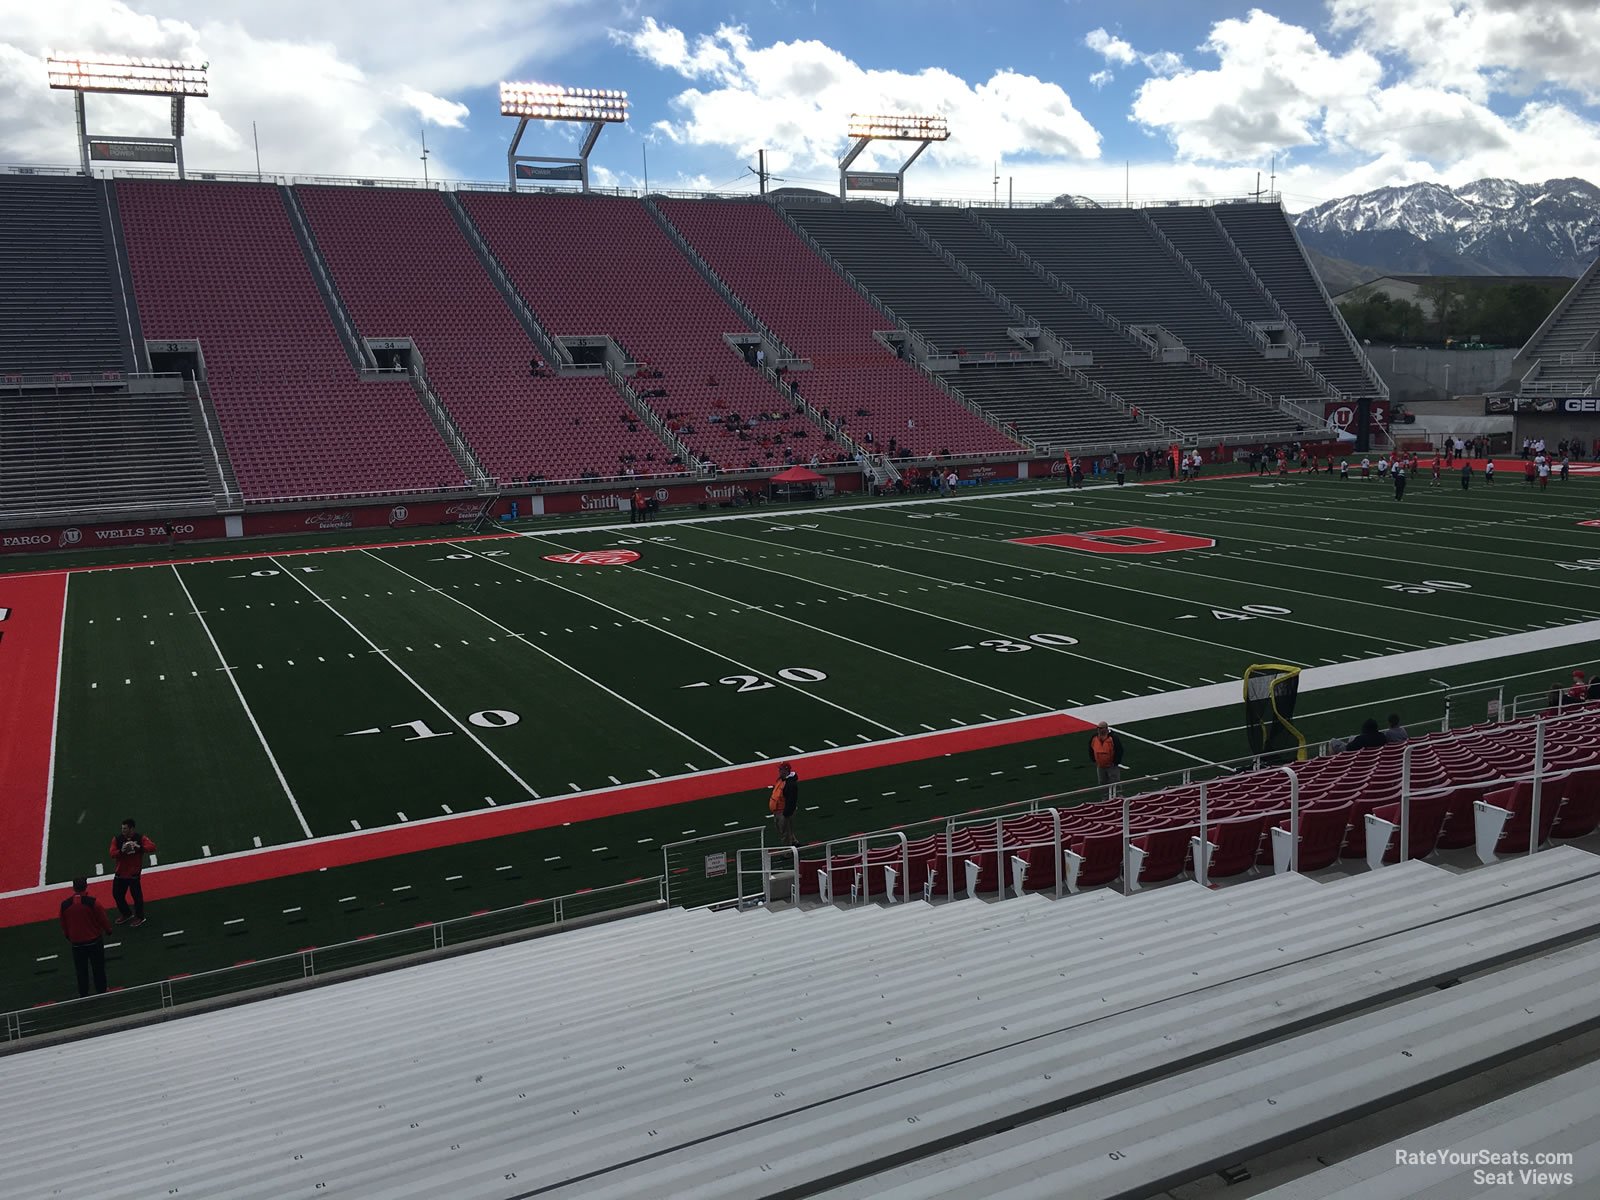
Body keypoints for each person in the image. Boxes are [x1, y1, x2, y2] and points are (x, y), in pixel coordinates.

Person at [60, 877, 112, 997]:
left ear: (73, 888)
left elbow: (63, 923)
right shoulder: (93, 902)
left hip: (76, 943)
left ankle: (83, 993)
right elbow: (102, 918)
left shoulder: (65, 905)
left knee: (81, 970)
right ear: (86, 886)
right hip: (94, 940)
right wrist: (108, 930)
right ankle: (101, 990)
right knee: (98, 967)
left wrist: (69, 936)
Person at [109, 818, 155, 926]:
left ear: (131, 828)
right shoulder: (117, 839)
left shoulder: (139, 838)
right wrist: (122, 851)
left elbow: (152, 847)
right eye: (122, 828)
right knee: (117, 895)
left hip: (133, 873)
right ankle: (126, 913)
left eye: (125, 828)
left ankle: (140, 916)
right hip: (120, 873)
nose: (123, 830)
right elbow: (112, 853)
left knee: (136, 897)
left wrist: (139, 847)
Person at [1088, 721, 1124, 788]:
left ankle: (1118, 797)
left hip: (1111, 766)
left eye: (1101, 728)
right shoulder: (1094, 737)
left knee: (1115, 782)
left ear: (1106, 728)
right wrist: (1093, 759)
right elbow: (1091, 748)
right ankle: (1105, 798)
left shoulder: (1113, 738)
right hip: (1100, 766)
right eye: (1098, 728)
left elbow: (1119, 750)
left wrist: (1115, 762)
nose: (1099, 729)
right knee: (1102, 784)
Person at [774, 762, 800, 845]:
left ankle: (787, 853)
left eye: (780, 769)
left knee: (785, 832)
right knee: (787, 830)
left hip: (783, 811)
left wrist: (786, 813)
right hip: (779, 810)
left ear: (785, 770)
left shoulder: (790, 784)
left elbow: (791, 800)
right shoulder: (783, 780)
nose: (779, 771)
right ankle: (794, 842)